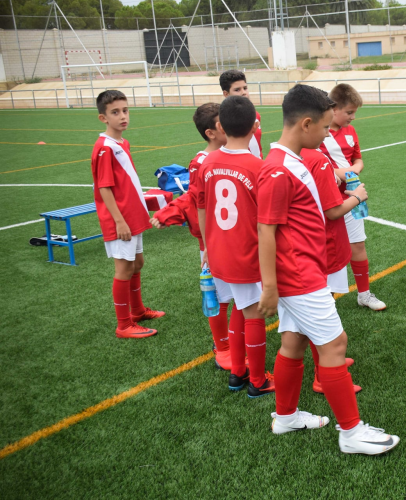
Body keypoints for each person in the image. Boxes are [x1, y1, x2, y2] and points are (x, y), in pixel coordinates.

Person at [257, 84, 399, 455]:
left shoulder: (291, 161)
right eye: (323, 127)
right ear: (305, 124)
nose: (326, 134)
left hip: (304, 271)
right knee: (335, 344)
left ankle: (285, 416)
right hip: (298, 275)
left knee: (294, 341)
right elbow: (265, 230)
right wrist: (270, 287)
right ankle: (351, 433)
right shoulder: (277, 170)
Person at [197, 95, 274, 398]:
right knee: (253, 313)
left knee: (239, 311)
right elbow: (267, 221)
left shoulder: (208, 162)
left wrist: (206, 248)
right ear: (255, 125)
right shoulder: (259, 167)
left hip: (217, 252)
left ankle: (237, 372)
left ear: (221, 126)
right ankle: (256, 380)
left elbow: (201, 208)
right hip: (246, 253)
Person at [150, 103, 232, 369]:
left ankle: (233, 341)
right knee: (218, 296)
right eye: (224, 122)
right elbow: (196, 201)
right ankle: (222, 347)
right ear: (211, 132)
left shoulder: (232, 152)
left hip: (237, 238)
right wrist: (206, 243)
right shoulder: (200, 163)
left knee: (241, 295)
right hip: (214, 243)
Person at [91, 90, 163, 339]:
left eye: (125, 110)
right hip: (120, 220)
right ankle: (124, 325)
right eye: (115, 112)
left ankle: (138, 311)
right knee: (123, 269)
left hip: (133, 216)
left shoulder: (122, 143)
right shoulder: (104, 148)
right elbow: (104, 187)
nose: (123, 116)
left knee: (137, 264)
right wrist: (119, 220)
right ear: (103, 118)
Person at [299, 145, 362, 395]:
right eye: (325, 125)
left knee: (305, 320)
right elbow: (332, 210)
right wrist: (357, 197)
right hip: (324, 244)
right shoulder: (316, 158)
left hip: (307, 246)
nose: (328, 133)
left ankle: (323, 367)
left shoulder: (285, 155)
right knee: (321, 313)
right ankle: (323, 374)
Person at [317, 84, 386, 311]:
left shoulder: (350, 132)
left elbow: (359, 160)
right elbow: (316, 167)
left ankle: (364, 294)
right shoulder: (319, 133)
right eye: (349, 112)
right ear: (333, 109)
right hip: (326, 202)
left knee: (358, 245)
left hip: (351, 197)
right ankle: (323, 297)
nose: (353, 117)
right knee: (326, 249)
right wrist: (341, 172)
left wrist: (352, 171)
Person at [219, 69, 262, 158]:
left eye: (245, 88)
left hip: (257, 166)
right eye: (237, 90)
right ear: (226, 94)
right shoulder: (222, 119)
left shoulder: (255, 114)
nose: (244, 93)